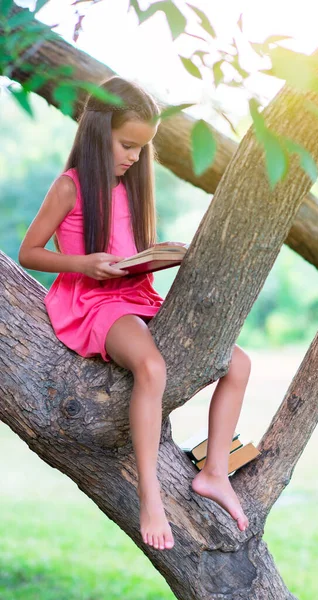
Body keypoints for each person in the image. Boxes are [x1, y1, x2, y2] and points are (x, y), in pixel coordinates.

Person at [18, 76, 252, 552]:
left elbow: (131, 254)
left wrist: (163, 257)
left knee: (240, 363)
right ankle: (150, 498)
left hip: (136, 292)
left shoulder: (129, 186)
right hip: (94, 301)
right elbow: (29, 252)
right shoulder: (70, 187)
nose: (132, 157)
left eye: (141, 149)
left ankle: (214, 472)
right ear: (98, 130)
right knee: (151, 366)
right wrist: (85, 264)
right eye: (127, 145)